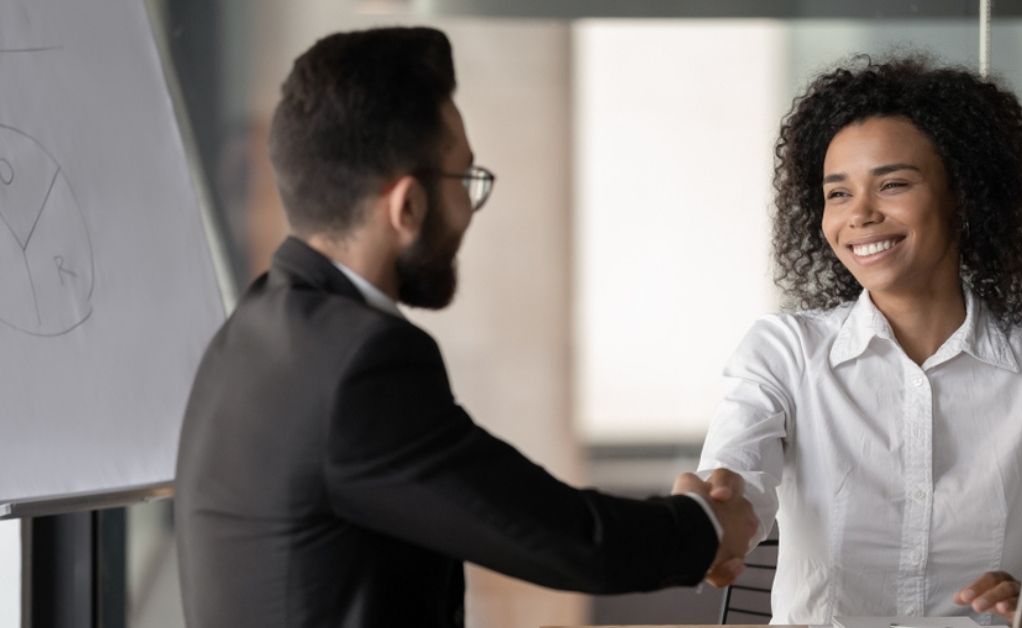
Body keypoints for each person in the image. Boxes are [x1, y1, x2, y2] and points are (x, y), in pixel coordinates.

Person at [174, 27, 757, 628]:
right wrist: (704, 527)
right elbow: (558, 535)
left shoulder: (252, 328)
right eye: (465, 180)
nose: (469, 211)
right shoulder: (360, 363)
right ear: (407, 206)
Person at [696, 54, 1022, 625]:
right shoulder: (784, 351)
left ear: (964, 196)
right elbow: (739, 481)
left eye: (892, 184)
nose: (859, 214)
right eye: (837, 193)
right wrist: (717, 519)